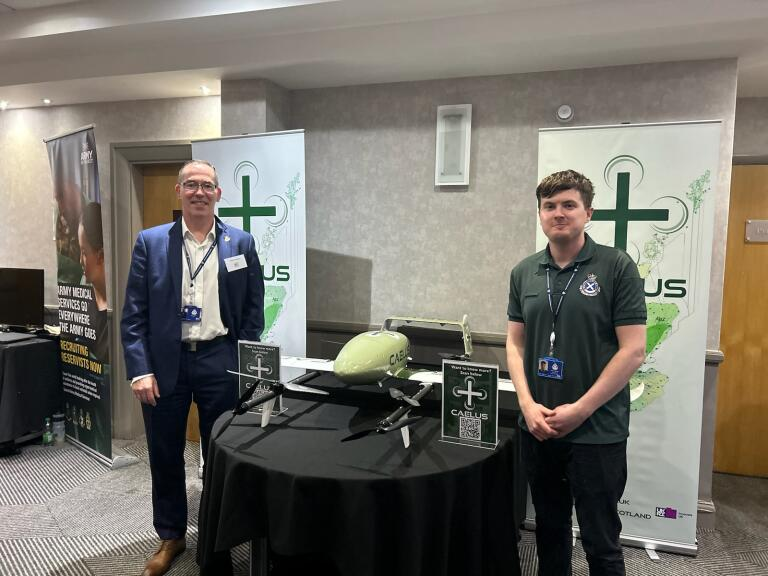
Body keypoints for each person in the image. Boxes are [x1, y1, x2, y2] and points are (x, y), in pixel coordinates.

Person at [121, 159, 265, 576]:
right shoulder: (151, 242)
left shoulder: (241, 243)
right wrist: (140, 369)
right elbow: (133, 316)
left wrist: (245, 360)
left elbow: (253, 310)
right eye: (191, 185)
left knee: (219, 453)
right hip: (165, 364)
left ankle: (216, 543)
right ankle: (171, 536)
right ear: (179, 191)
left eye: (207, 185)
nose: (199, 192)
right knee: (165, 452)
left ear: (219, 193)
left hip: (220, 359)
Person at [506, 170, 646, 576]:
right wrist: (528, 405)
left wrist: (581, 409)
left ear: (588, 212)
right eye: (549, 206)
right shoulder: (524, 272)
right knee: (549, 534)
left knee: (600, 542)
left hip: (596, 432)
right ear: (540, 214)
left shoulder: (616, 267)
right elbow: (514, 344)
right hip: (540, 428)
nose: (558, 213)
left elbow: (633, 351)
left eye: (568, 204)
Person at [79, 202, 109, 364]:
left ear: (101, 255)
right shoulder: (81, 299)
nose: (80, 261)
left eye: (84, 253)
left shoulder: (120, 306)